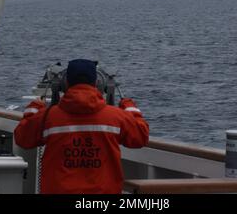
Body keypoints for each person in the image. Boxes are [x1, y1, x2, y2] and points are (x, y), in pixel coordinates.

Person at [14, 59, 149, 194]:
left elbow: (23, 138)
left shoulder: (48, 117)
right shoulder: (116, 117)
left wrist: (34, 108)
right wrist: (130, 108)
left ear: (66, 83)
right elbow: (140, 137)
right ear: (96, 83)